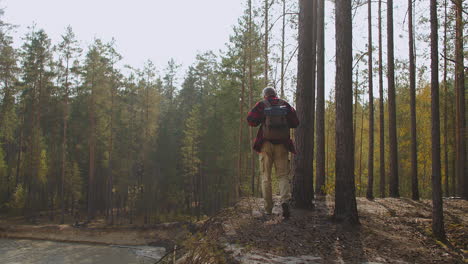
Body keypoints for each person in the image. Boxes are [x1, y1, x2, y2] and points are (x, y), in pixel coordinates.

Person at [247, 87, 299, 218]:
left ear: (265, 95)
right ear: (275, 94)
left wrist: (263, 119)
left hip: (265, 144)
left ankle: (268, 209)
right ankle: (285, 201)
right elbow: (295, 122)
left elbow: (250, 120)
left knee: (266, 177)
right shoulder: (285, 104)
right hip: (282, 144)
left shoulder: (261, 105)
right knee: (283, 176)